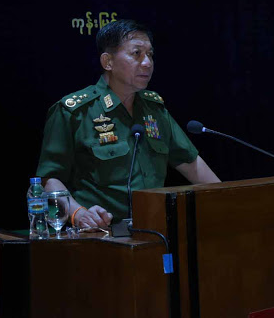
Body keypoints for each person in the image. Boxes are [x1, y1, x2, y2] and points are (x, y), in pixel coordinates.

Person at [36, 19, 220, 231]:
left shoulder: (155, 110)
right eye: (136, 54)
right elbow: (48, 180)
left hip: (155, 232)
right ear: (108, 62)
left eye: (150, 54)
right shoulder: (75, 112)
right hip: (97, 234)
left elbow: (191, 164)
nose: (147, 63)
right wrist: (79, 214)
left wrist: (231, 200)